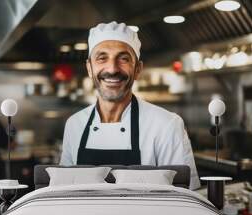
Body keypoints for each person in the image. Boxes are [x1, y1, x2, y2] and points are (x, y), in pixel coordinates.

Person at [60, 22, 200, 190]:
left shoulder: (166, 125)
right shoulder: (74, 125)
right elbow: (63, 191)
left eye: (124, 58)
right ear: (89, 68)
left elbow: (187, 198)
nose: (112, 69)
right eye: (102, 58)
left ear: (138, 69)